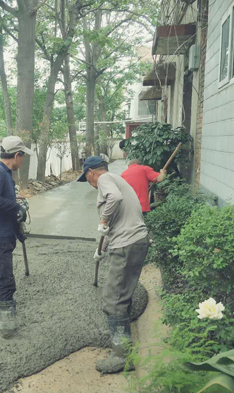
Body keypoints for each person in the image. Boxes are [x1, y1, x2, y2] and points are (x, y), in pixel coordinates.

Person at [77, 156, 149, 374]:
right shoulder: (118, 180)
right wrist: (102, 248)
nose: (89, 183)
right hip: (136, 241)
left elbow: (114, 200)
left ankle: (122, 356)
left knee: (113, 298)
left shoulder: (104, 179)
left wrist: (103, 220)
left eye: (87, 178)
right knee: (122, 293)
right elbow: (115, 223)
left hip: (127, 245)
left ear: (91, 172)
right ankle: (124, 336)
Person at [0, 136, 33, 339]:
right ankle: (7, 326)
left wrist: (13, 198)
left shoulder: (2, 172)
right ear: (17, 155)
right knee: (5, 280)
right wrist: (15, 206)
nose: (23, 161)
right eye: (23, 157)